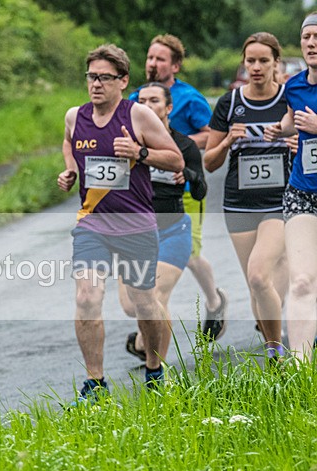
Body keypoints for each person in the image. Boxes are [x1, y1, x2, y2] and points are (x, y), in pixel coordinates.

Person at [58, 44, 184, 401]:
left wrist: (139, 153)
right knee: (87, 295)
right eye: (91, 77)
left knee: (144, 301)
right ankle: (94, 383)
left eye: (104, 78)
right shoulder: (74, 116)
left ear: (122, 80)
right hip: (92, 224)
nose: (96, 84)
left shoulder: (139, 116)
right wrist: (70, 169)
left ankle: (155, 370)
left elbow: (175, 160)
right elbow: (68, 143)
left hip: (136, 224)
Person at [129, 34, 229, 341]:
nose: (153, 64)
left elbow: (210, 135)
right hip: (150, 192)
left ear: (175, 65)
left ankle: (213, 301)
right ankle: (151, 332)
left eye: (160, 59)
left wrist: (173, 151)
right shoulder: (137, 97)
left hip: (183, 184)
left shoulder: (189, 98)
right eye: (149, 57)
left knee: (187, 253)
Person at [204, 33, 290, 363]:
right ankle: (275, 343)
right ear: (243, 62)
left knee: (259, 275)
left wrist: (293, 144)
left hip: (281, 203)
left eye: (263, 61)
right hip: (239, 204)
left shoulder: (288, 100)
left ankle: (275, 353)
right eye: (250, 60)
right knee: (259, 289)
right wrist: (227, 142)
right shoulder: (229, 103)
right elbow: (209, 162)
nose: (255, 67)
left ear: (275, 63)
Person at [121, 82, 207, 362]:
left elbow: (201, 190)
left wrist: (191, 177)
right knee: (130, 306)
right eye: (141, 100)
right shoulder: (125, 143)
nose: (146, 105)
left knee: (155, 295)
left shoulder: (184, 145)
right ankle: (147, 340)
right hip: (133, 233)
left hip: (171, 227)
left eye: (154, 100)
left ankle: (158, 371)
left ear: (168, 107)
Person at [264, 13, 317, 362]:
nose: (312, 44)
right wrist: (280, 130)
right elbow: (292, 118)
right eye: (307, 38)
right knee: (301, 282)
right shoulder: (295, 86)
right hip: (303, 194)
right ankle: (300, 373)